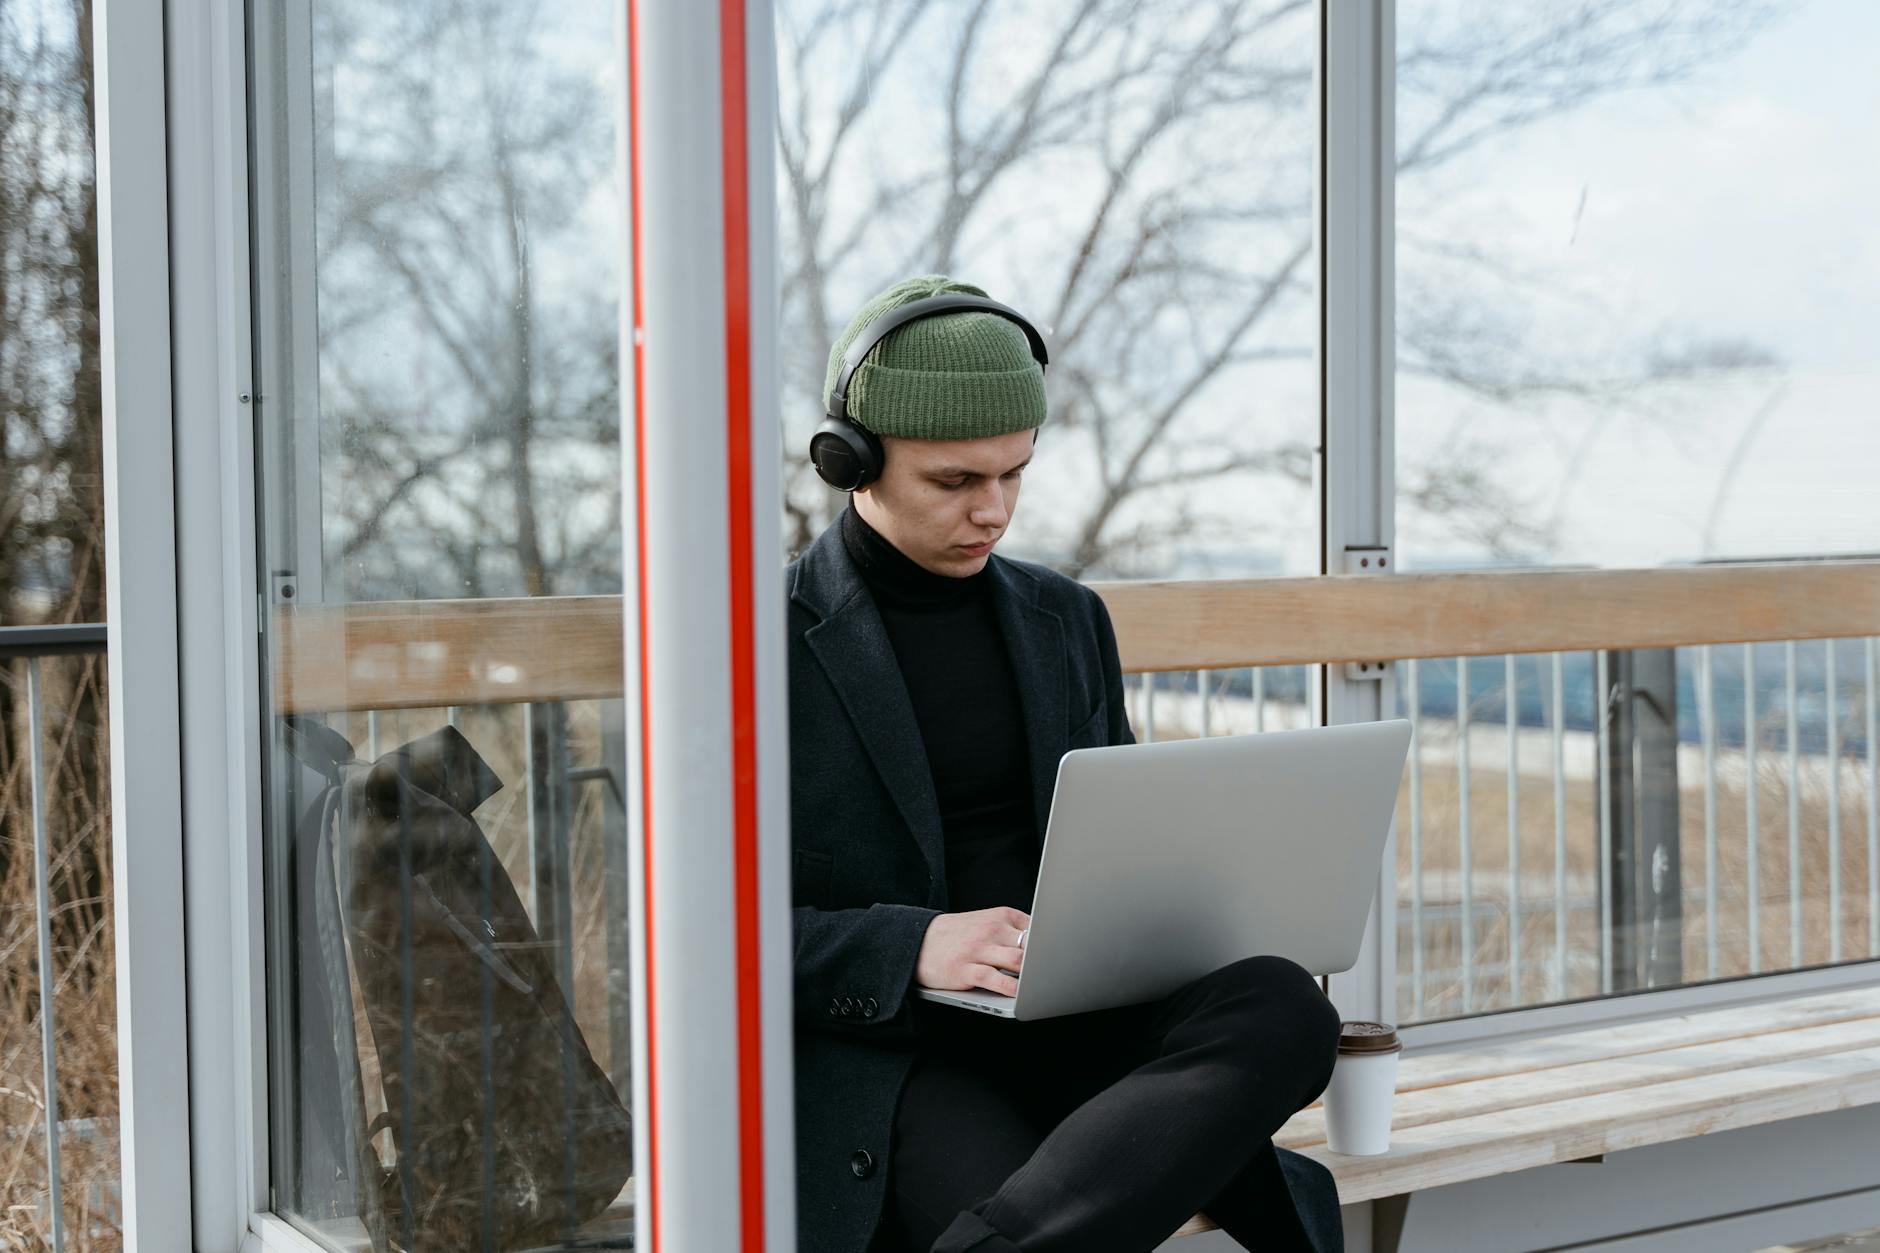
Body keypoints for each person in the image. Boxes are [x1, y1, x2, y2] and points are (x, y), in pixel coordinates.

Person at [788, 274, 1343, 1253]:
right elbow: (698, 936)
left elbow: (1111, 844)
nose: (991, 510)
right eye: (954, 481)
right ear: (851, 461)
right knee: (1050, 1203)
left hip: (1071, 1015)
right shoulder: (763, 642)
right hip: (898, 1050)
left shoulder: (1064, 619)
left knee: (1284, 1003)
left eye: (1013, 474)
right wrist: (912, 944)